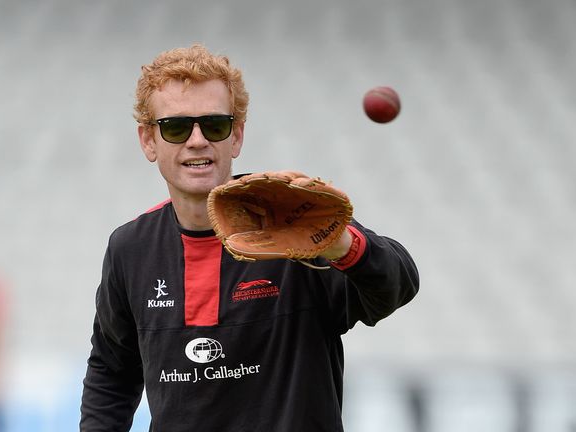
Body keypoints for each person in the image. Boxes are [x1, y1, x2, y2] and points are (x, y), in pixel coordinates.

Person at [80, 44, 419, 431]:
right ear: (148, 141)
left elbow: (399, 286)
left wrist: (342, 245)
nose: (196, 140)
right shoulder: (130, 248)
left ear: (236, 137)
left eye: (215, 125)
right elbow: (111, 371)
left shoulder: (293, 220)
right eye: (175, 127)